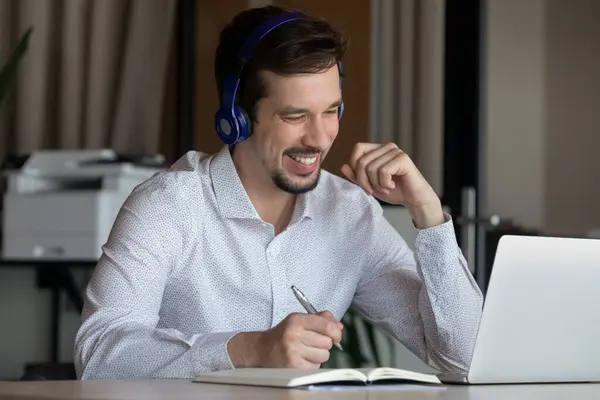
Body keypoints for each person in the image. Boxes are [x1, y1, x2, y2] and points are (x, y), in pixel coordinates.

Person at [73, 5, 483, 380]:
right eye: (295, 115)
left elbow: (463, 359)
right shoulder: (168, 206)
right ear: (237, 117)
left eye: (331, 111)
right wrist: (248, 349)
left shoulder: (349, 212)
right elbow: (97, 355)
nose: (320, 138)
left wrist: (428, 212)